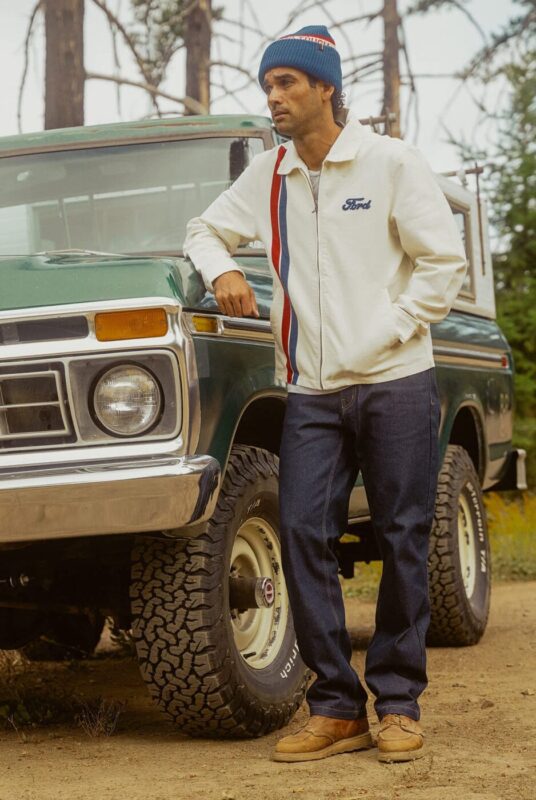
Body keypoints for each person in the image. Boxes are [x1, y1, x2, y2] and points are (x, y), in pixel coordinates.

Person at [184, 25, 467, 764]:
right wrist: (222, 270)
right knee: (304, 531)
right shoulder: (272, 173)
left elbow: (443, 267)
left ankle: (399, 702)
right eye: (268, 84)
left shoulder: (390, 162)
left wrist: (388, 332)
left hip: (396, 382)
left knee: (405, 534)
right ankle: (337, 705)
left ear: (325, 88)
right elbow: (203, 228)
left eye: (287, 83)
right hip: (311, 389)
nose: (273, 97)